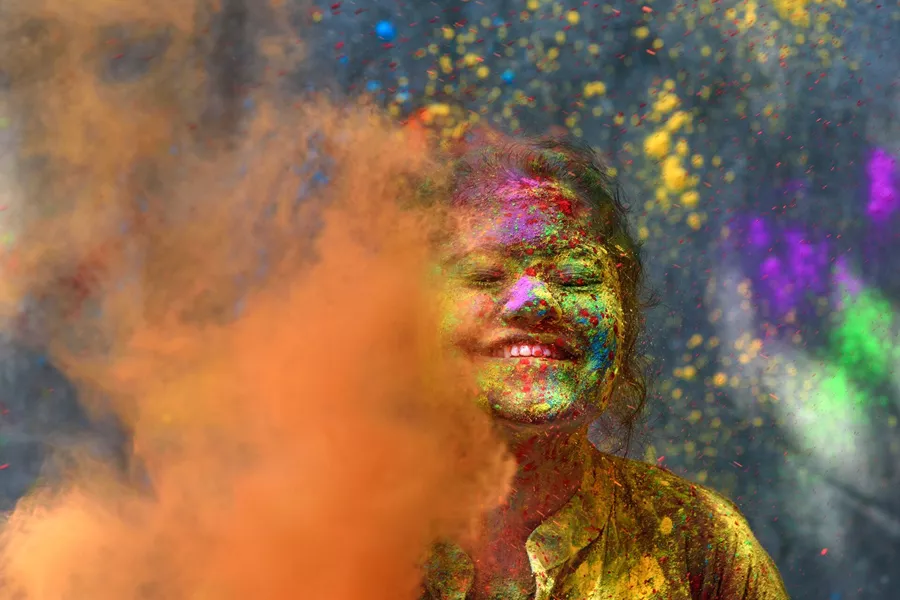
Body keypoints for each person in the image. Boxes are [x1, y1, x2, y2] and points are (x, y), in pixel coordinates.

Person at [421, 133, 789, 600]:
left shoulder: (699, 543)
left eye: (575, 277)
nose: (533, 302)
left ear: (625, 318)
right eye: (485, 275)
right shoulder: (332, 517)